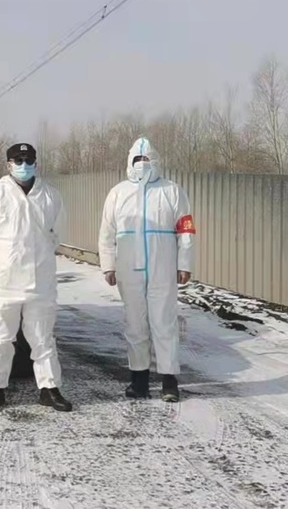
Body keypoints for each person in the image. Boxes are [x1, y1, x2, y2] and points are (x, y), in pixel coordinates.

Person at [0, 143, 72, 412]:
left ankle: (49, 388)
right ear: (8, 164)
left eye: (28, 160)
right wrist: (4, 258)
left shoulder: (50, 196)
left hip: (40, 282)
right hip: (3, 283)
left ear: (36, 163)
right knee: (0, 338)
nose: (24, 165)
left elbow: (57, 233)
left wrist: (36, 255)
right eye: (18, 160)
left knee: (42, 338)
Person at [97, 137, 195, 403]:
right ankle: (138, 380)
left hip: (162, 268)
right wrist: (108, 264)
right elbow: (106, 232)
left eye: (147, 159)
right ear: (130, 161)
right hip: (129, 269)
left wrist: (184, 263)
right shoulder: (118, 193)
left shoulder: (172, 191)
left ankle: (169, 381)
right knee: (135, 324)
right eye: (138, 160)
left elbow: (185, 230)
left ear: (156, 161)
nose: (142, 164)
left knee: (164, 323)